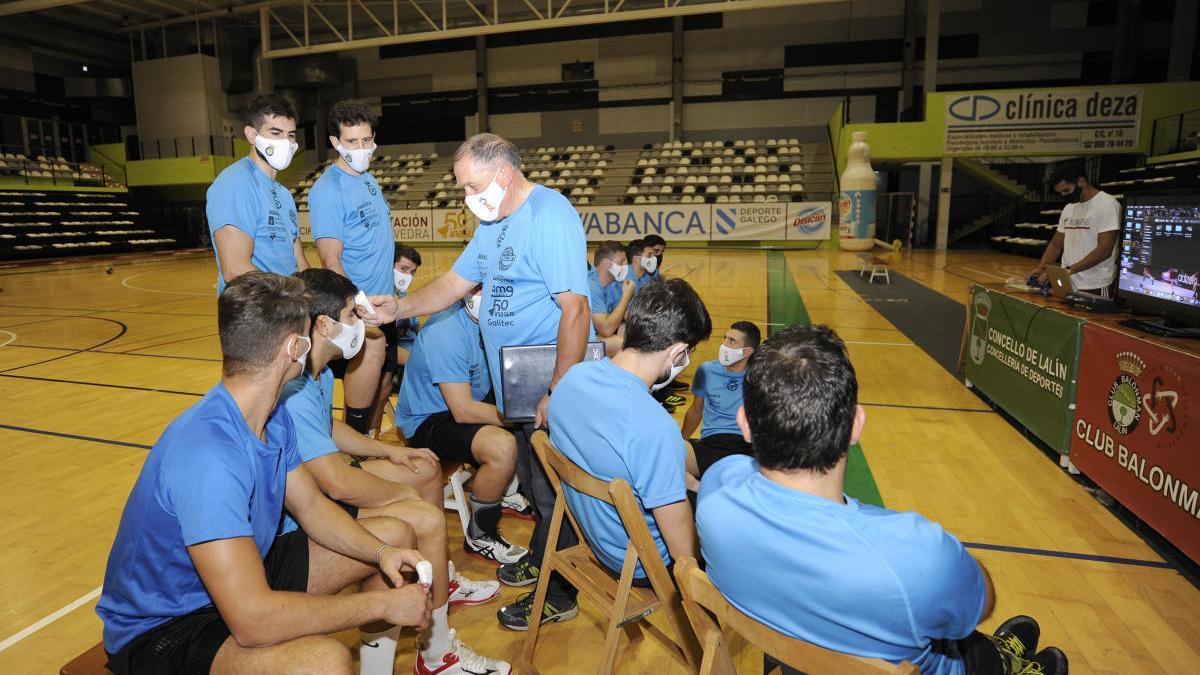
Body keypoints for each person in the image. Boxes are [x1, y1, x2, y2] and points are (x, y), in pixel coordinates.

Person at [96, 272, 430, 675]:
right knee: (323, 662)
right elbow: (254, 622)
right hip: (165, 626)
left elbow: (311, 508)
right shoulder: (208, 457)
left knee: (391, 536)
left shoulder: (268, 416)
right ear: (294, 348)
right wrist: (383, 604)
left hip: (239, 576)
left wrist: (382, 554)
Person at [696, 325, 1069, 675]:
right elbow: (980, 605)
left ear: (744, 422)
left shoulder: (716, 487)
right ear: (855, 426)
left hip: (790, 651)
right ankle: (1003, 662)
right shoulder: (917, 553)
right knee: (962, 643)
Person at [354, 132, 593, 631]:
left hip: (548, 381)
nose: (467, 197)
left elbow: (576, 307)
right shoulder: (494, 225)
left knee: (558, 490)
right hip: (518, 389)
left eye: (471, 185)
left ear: (503, 173)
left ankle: (562, 589)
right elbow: (450, 286)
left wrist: (559, 389)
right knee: (533, 483)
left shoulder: (549, 213)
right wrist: (399, 306)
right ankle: (544, 558)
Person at [282, 268, 509, 675]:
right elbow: (334, 480)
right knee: (421, 516)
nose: (361, 325)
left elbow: (327, 429)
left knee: (421, 467)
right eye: (353, 314)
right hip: (311, 500)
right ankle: (437, 651)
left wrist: (387, 452)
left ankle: (441, 578)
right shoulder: (294, 385)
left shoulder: (311, 373)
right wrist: (395, 498)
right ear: (323, 324)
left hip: (322, 481)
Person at [549, 278, 711, 586]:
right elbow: (683, 554)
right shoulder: (654, 426)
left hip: (596, 536)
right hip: (641, 562)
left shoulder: (572, 379)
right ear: (677, 352)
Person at [395, 286, 528, 565]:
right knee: (503, 448)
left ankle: (503, 489)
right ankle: (481, 535)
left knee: (528, 398)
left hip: (464, 404)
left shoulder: (495, 321)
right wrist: (520, 414)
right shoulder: (446, 332)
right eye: (480, 288)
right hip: (429, 419)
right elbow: (463, 410)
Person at [309, 101, 394, 435]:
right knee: (363, 388)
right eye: (352, 142)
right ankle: (355, 448)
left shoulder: (368, 179)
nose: (362, 149)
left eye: (367, 140)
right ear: (335, 143)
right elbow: (331, 260)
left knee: (384, 385)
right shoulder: (328, 191)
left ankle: (369, 447)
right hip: (361, 308)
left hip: (384, 304)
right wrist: (359, 308)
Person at [206, 93, 307, 294]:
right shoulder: (236, 182)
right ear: (252, 135)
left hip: (288, 312)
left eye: (291, 135)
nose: (286, 142)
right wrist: (291, 295)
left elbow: (300, 263)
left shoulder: (284, 194)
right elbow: (235, 271)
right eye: (276, 133)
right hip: (257, 315)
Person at [682, 321, 760, 479]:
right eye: (725, 338)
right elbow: (696, 410)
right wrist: (682, 440)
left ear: (747, 352)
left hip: (745, 446)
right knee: (668, 453)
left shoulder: (759, 377)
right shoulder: (706, 370)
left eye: (732, 341)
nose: (724, 344)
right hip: (711, 443)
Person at [1029, 165, 1120, 298]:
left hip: (1094, 284)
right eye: (1060, 193)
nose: (1064, 196)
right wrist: (1042, 267)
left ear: (1081, 181)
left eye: (1066, 190)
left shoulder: (1108, 204)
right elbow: (1056, 244)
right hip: (1067, 282)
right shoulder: (1069, 208)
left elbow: (1104, 251)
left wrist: (1067, 271)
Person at [587, 240, 635, 355]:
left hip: (598, 335)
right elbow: (606, 329)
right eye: (621, 262)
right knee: (623, 345)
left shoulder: (614, 284)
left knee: (631, 333)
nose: (625, 267)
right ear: (607, 264)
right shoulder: (590, 285)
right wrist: (626, 297)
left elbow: (628, 316)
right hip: (580, 341)